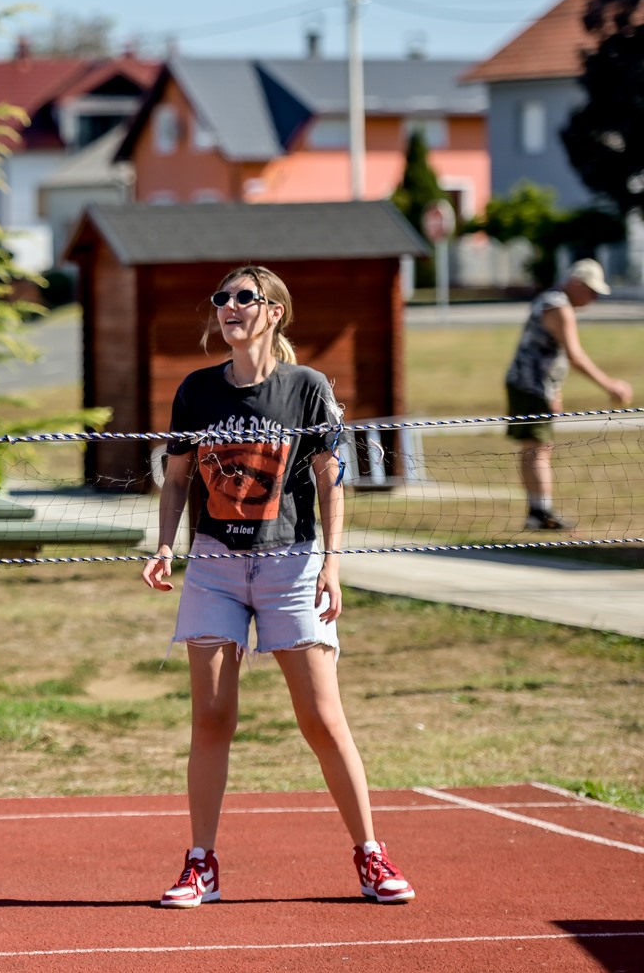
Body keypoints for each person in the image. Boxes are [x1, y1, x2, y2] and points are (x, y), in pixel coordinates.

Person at [141, 266, 415, 909]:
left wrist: (333, 562)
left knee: (321, 718)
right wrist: (163, 545)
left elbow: (331, 479)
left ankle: (370, 854)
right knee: (211, 718)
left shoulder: (307, 389)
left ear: (274, 313)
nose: (229, 307)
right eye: (222, 299)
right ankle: (201, 864)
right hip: (213, 564)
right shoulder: (196, 392)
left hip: (291, 563)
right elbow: (177, 478)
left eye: (244, 298)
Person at [503, 257, 633, 531]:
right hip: (530, 386)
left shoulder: (552, 300)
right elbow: (575, 356)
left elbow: (551, 353)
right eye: (592, 291)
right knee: (537, 450)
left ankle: (537, 511)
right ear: (576, 283)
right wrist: (610, 385)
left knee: (537, 448)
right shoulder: (559, 308)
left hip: (531, 385)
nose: (594, 298)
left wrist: (555, 390)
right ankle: (541, 513)